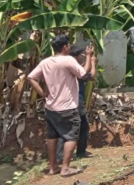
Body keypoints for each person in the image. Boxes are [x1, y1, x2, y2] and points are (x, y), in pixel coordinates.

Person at [27, 34, 93, 177]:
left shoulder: (45, 62)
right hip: (67, 107)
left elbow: (31, 77)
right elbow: (83, 74)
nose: (69, 47)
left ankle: (53, 167)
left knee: (52, 136)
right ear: (65, 47)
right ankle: (65, 168)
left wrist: (42, 93)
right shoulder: (68, 60)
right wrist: (88, 56)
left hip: (50, 108)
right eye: (68, 45)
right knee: (71, 137)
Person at [57, 43, 96, 161]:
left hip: (64, 102)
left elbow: (84, 71)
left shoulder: (67, 67)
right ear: (76, 56)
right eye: (80, 55)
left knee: (66, 128)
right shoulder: (74, 68)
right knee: (82, 127)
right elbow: (91, 75)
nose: (81, 57)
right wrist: (91, 60)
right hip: (76, 101)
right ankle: (78, 152)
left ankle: (63, 155)